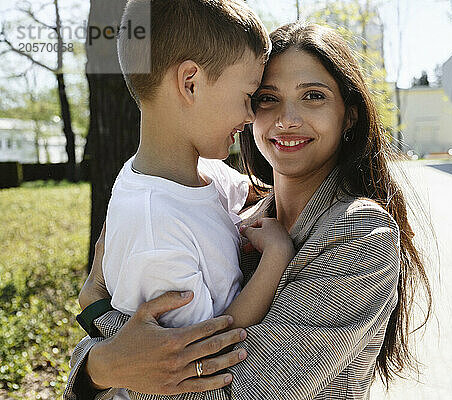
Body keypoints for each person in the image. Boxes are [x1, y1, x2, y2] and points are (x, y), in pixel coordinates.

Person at [64, 21, 432, 400]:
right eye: (267, 98)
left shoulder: (361, 234)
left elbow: (227, 392)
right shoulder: (230, 213)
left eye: (313, 96)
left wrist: (99, 320)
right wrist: (99, 364)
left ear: (349, 114)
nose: (287, 119)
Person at [71, 0, 300, 398]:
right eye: (248, 96)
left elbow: (246, 189)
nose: (250, 117)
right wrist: (276, 257)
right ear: (190, 82)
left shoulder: (196, 173)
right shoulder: (156, 226)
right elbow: (206, 350)